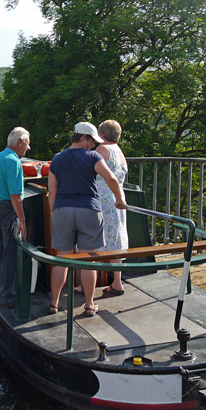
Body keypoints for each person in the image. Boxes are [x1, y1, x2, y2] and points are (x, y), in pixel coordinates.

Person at [48, 122, 127, 317]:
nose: (93, 144)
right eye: (92, 140)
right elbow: (111, 179)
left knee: (62, 259)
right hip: (89, 211)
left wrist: (54, 212)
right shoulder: (93, 157)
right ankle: (90, 305)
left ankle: (54, 303)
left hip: (63, 210)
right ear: (83, 138)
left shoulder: (57, 159)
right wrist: (119, 199)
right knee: (87, 260)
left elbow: (52, 191)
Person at [73, 120, 128, 296]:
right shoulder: (120, 152)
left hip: (101, 201)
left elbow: (87, 170)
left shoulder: (102, 150)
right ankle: (117, 282)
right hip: (117, 201)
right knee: (115, 240)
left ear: (102, 135)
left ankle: (85, 285)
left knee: (92, 241)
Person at [0, 127, 31, 309]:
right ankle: (7, 298)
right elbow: (16, 196)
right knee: (10, 254)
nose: (28, 148)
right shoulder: (14, 162)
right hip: (7, 210)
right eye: (27, 143)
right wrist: (22, 220)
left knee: (0, 252)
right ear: (20, 142)